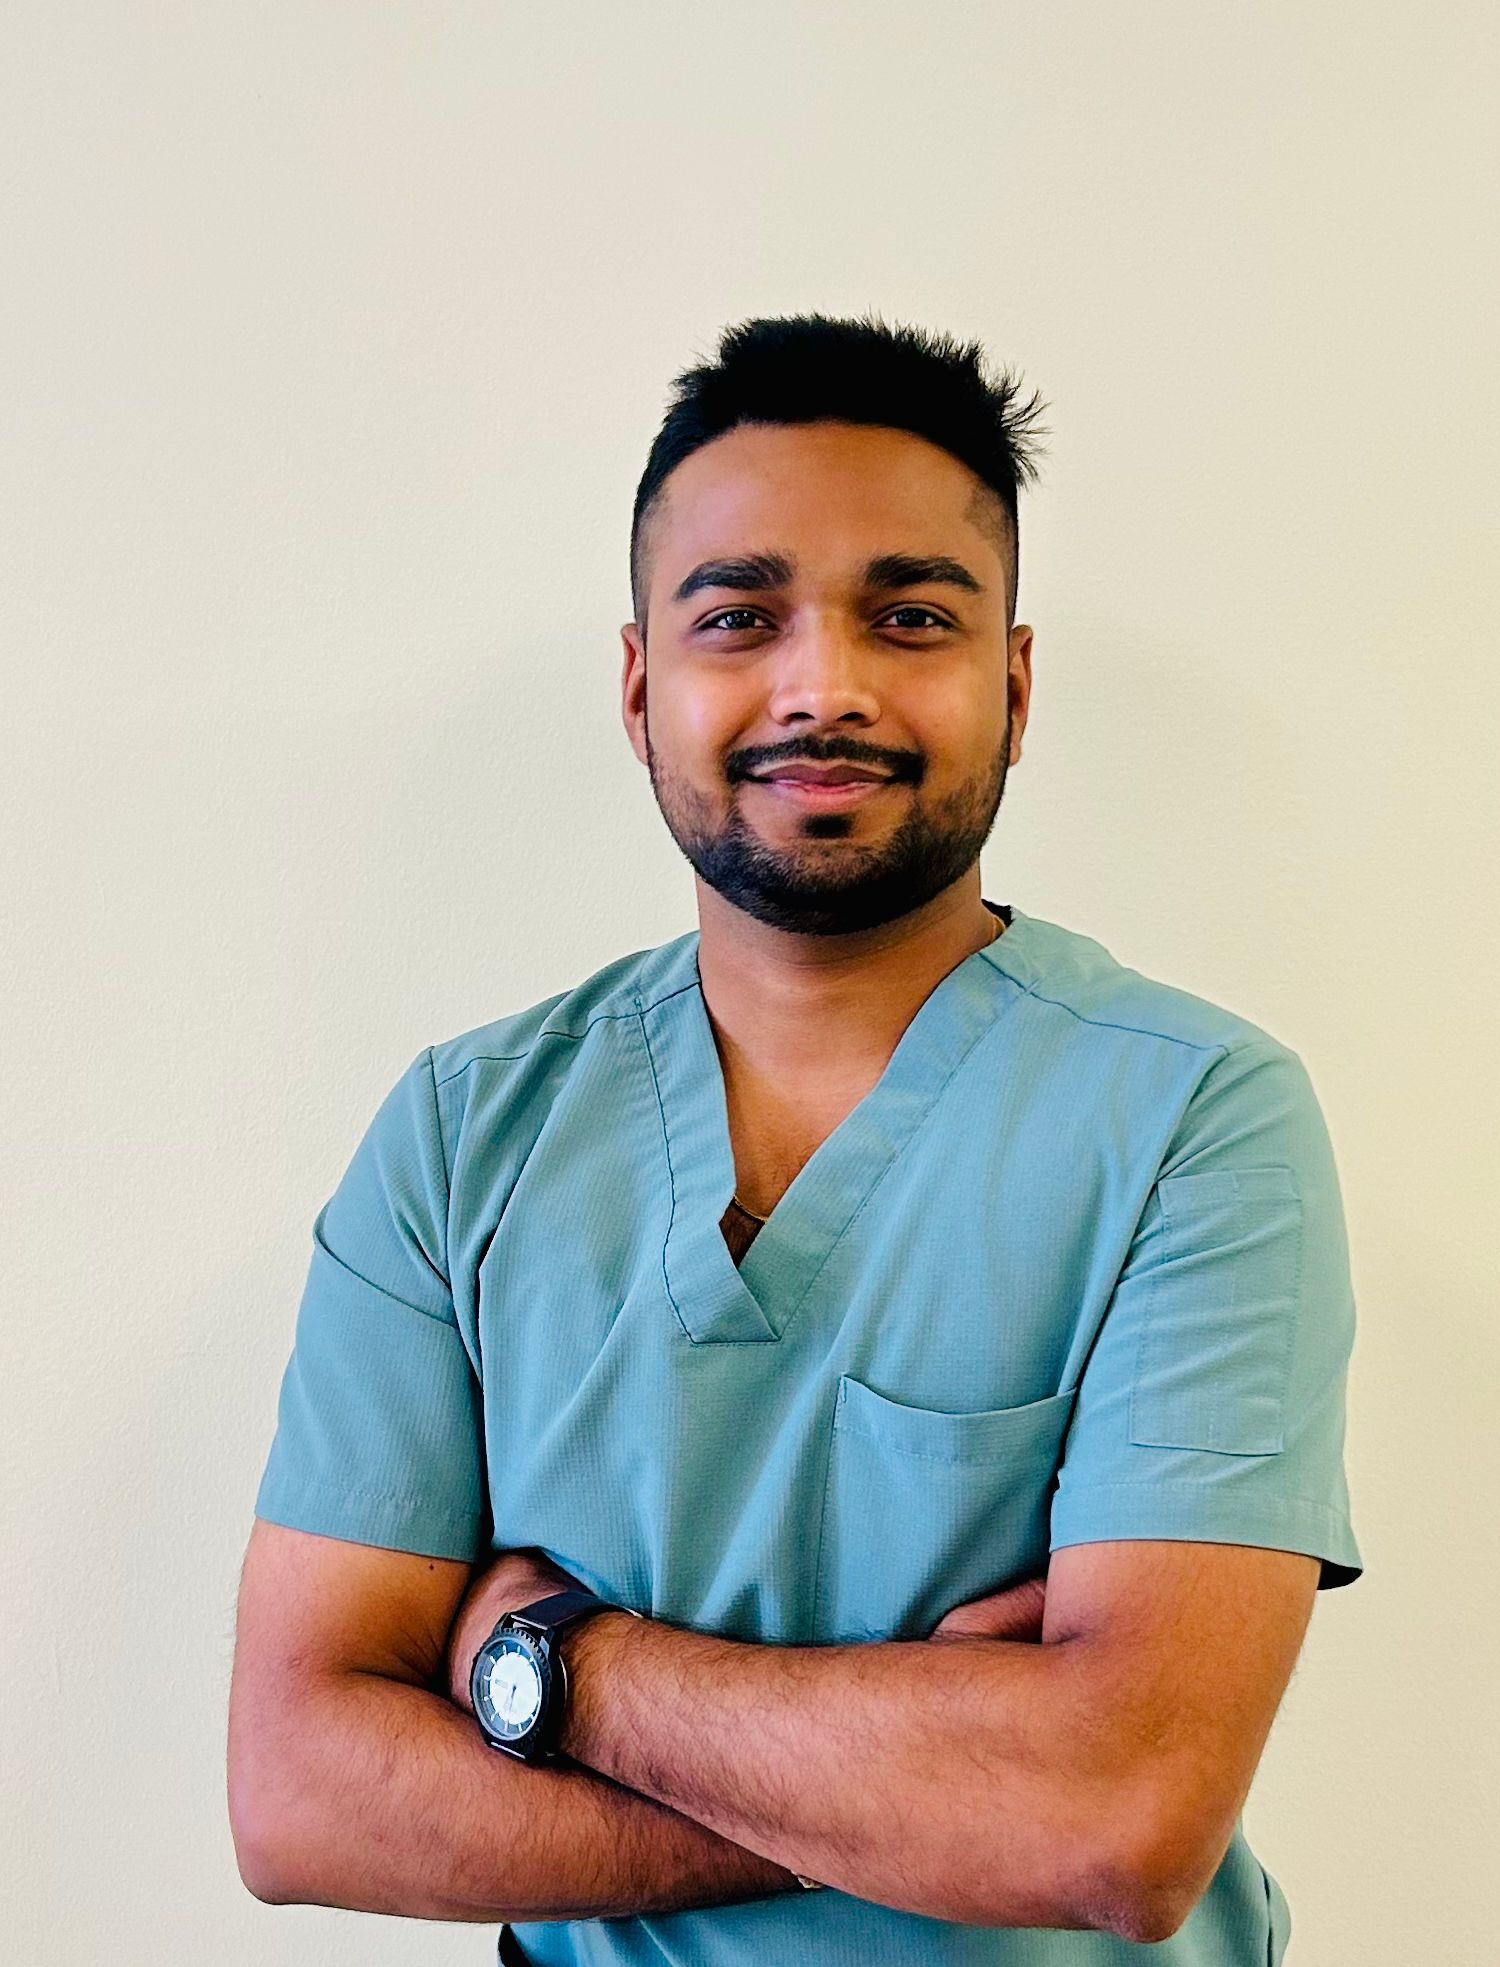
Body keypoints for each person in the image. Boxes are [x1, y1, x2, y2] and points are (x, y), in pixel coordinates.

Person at [228, 311, 1362, 1966]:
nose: (822, 684)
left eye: (910, 616)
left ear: (1016, 685)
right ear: (640, 686)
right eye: (739, 616)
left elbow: (1114, 1822)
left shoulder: (1197, 1119)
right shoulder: (464, 1137)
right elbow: (299, 1795)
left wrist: (554, 1665)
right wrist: (943, 1788)